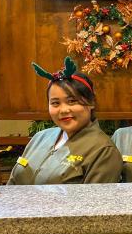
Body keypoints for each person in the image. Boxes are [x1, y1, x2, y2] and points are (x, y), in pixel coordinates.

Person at [7, 57, 123, 185]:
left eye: (72, 101)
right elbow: (12, 185)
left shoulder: (103, 151)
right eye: (55, 103)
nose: (63, 110)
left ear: (91, 102)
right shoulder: (39, 138)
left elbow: (94, 203)